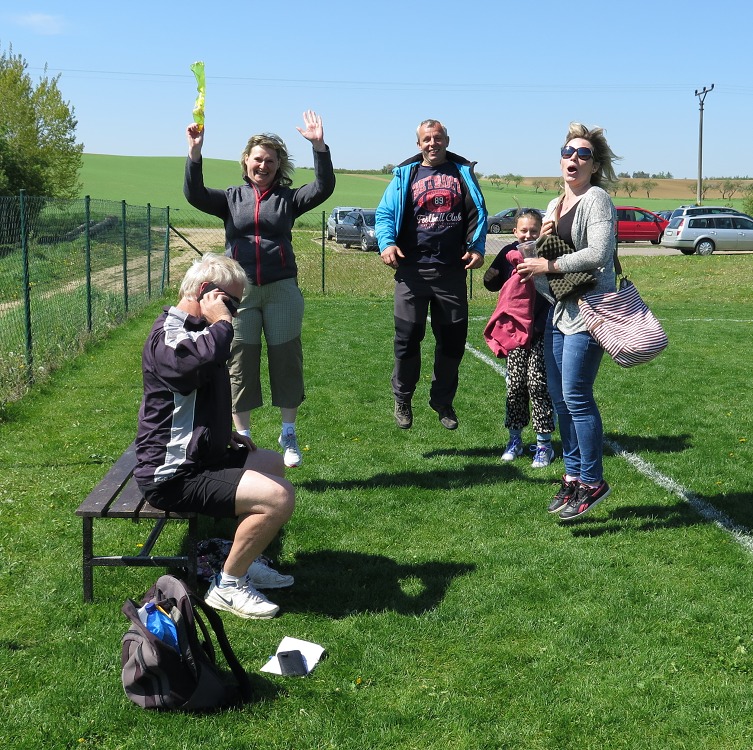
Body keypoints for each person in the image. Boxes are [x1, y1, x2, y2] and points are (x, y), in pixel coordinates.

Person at [134, 253, 296, 619]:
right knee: (279, 497)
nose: (235, 314)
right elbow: (188, 366)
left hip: (197, 456)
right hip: (171, 475)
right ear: (208, 292)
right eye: (232, 303)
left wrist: (223, 434)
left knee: (272, 463)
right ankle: (228, 586)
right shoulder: (170, 334)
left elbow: (197, 392)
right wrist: (222, 323)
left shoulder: (195, 330)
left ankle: (243, 558)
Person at [184, 111, 335, 468]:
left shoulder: (288, 199)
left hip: (281, 289)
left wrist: (319, 147)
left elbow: (323, 187)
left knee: (286, 360)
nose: (263, 165)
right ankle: (243, 436)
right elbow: (194, 194)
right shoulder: (231, 198)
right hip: (240, 294)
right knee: (239, 361)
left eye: (270, 160)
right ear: (246, 162)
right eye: (257, 159)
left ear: (279, 163)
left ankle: (288, 431)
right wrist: (194, 154)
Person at [515, 123, 619, 521]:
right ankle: (573, 476)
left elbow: (598, 253)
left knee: (577, 396)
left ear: (594, 165)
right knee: (560, 401)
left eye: (583, 154)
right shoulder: (555, 204)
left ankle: (593, 481)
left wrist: (550, 261)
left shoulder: (597, 200)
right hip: (560, 312)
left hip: (590, 311)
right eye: (568, 151)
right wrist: (536, 249)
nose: (573, 158)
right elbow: (551, 270)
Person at [375, 119, 488, 430]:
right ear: (418, 144)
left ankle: (442, 400)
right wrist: (386, 243)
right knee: (407, 338)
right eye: (426, 139)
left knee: (452, 342)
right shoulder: (404, 176)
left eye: (437, 138)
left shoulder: (462, 173)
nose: (432, 144)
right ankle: (403, 397)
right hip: (411, 272)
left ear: (447, 140)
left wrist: (477, 249)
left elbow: (478, 213)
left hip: (451, 272)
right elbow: (384, 214)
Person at [483, 209, 555, 468]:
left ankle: (544, 444)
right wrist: (492, 274)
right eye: (523, 230)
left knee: (537, 385)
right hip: (514, 331)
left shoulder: (548, 252)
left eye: (534, 231)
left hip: (541, 328)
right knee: (515, 385)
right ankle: (515, 439)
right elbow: (491, 282)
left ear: (542, 231)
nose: (528, 235)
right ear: (514, 231)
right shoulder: (507, 253)